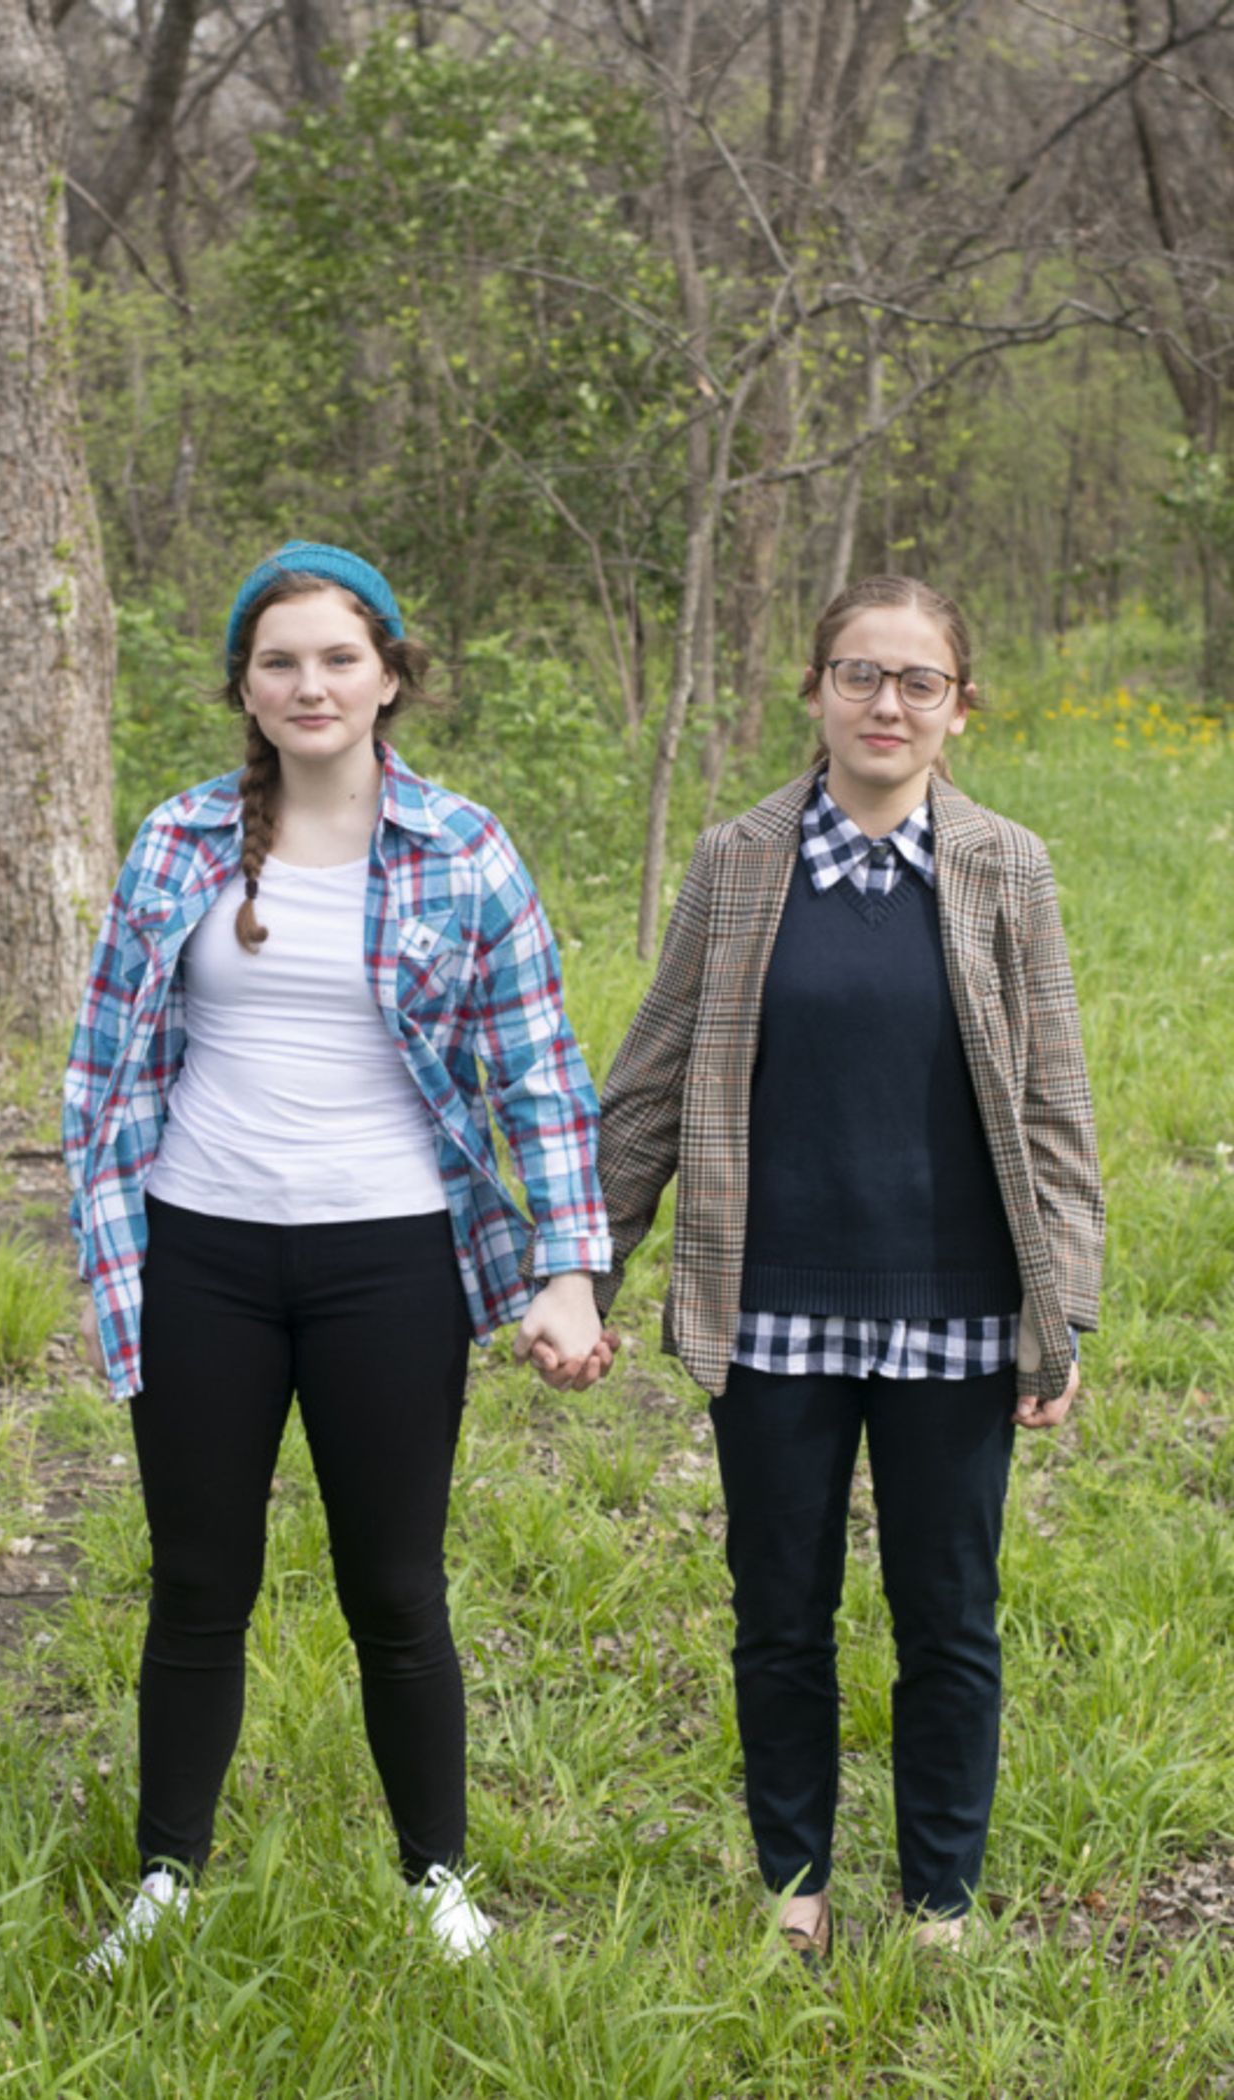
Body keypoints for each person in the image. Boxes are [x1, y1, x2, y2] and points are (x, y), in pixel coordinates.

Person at [64, 541, 614, 1974]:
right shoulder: (179, 843)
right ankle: (166, 1881)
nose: (311, 684)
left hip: (390, 1262)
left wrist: (568, 1267)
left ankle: (437, 1879)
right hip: (203, 1256)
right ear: (245, 688)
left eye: (338, 658)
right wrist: (109, 1254)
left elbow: (541, 1074)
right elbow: (107, 1074)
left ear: (390, 677)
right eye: (279, 660)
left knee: (396, 1587)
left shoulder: (464, 849)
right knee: (198, 1581)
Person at [589, 575, 1103, 1960]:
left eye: (917, 682)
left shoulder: (1008, 868)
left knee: (948, 1619)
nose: (887, 704)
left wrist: (1066, 1314)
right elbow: (646, 1085)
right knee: (781, 1614)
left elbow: (1054, 1107)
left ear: (959, 707)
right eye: (859, 675)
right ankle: (794, 1885)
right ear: (813, 691)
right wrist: (589, 1267)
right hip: (771, 1311)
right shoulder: (737, 862)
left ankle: (939, 1900)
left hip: (959, 1316)